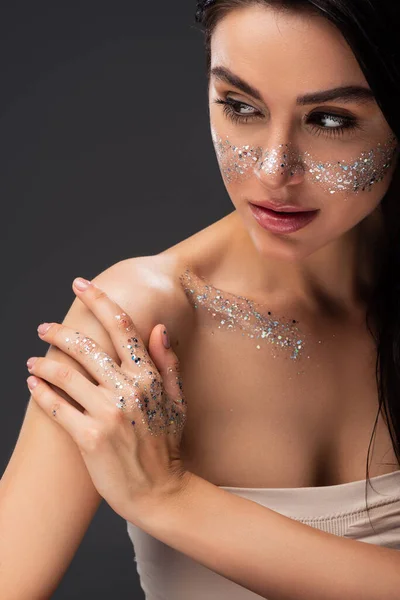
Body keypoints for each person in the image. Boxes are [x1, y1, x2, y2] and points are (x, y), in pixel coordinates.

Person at [1, 0, 400, 598]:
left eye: (331, 120)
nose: (273, 169)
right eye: (240, 107)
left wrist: (170, 499)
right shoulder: (138, 322)